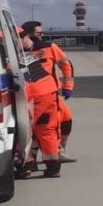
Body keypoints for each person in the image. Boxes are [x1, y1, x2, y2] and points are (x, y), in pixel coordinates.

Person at [17, 25, 72, 178]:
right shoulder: (25, 55)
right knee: (46, 129)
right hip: (48, 91)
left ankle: (26, 166)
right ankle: (53, 166)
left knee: (24, 130)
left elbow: (66, 64)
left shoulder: (18, 56)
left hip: (35, 96)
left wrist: (68, 86)